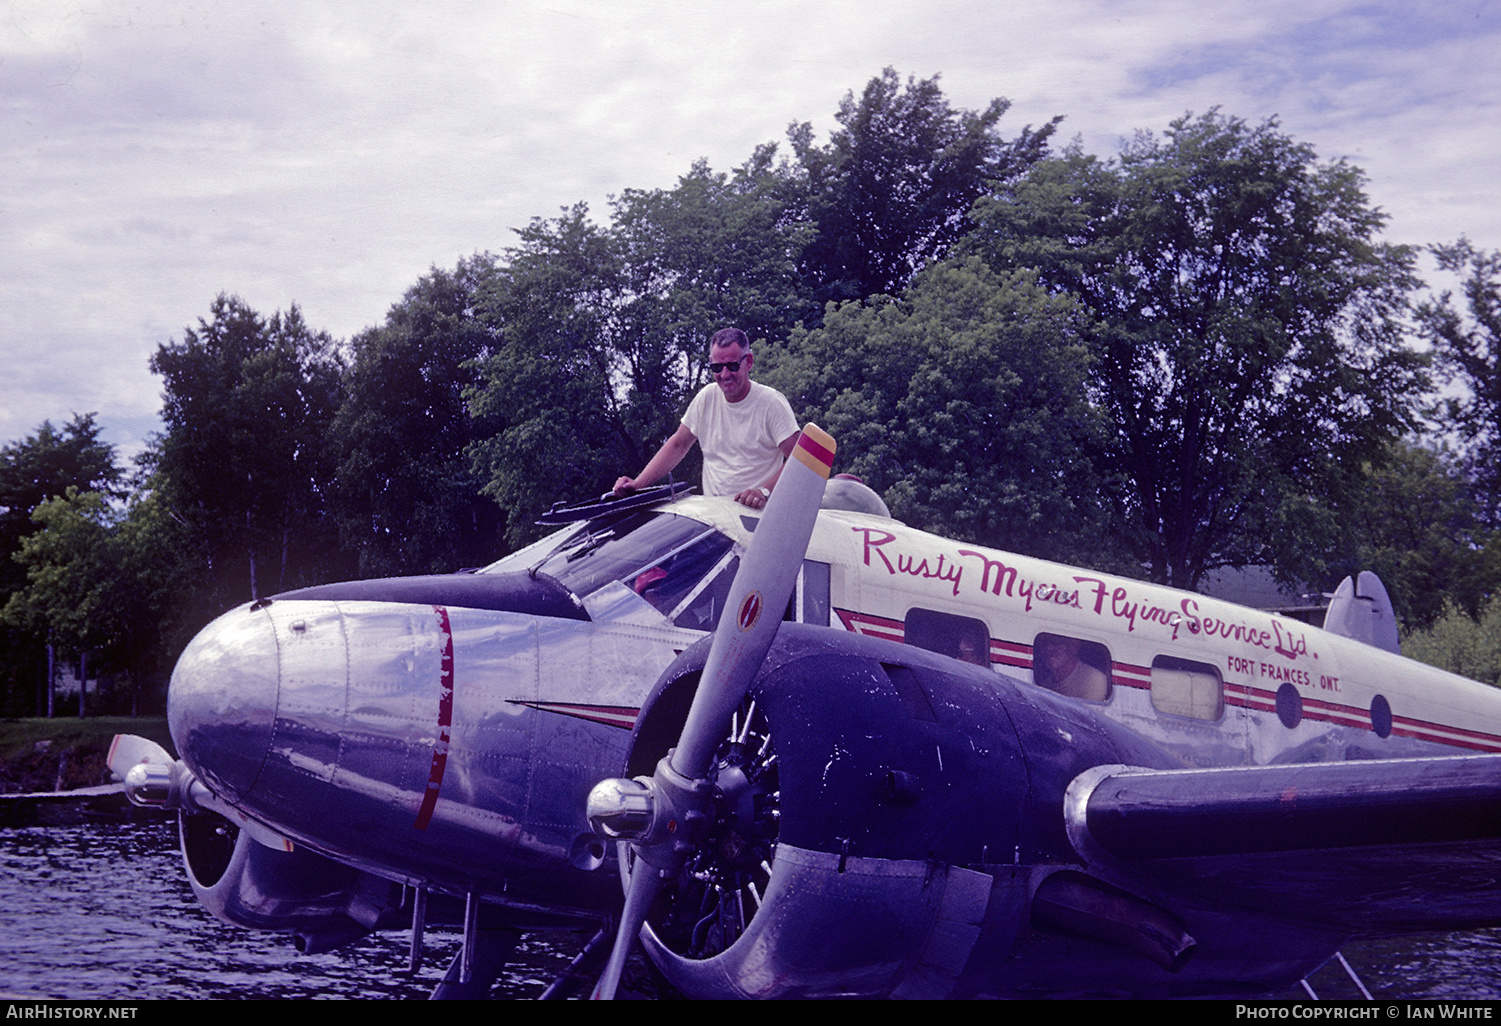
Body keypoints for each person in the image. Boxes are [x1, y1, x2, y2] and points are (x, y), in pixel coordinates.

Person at [614, 328, 799, 510]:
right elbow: (678, 445)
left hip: (759, 518)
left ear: (748, 361)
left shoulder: (771, 403)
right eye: (717, 367)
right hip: (717, 518)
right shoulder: (706, 398)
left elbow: (800, 458)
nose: (725, 375)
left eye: (732, 366)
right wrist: (637, 484)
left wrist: (763, 492)